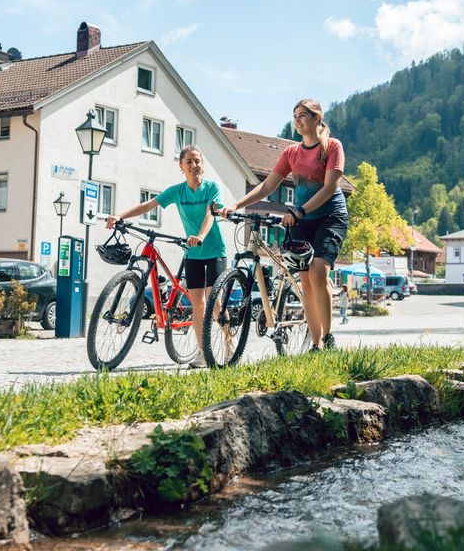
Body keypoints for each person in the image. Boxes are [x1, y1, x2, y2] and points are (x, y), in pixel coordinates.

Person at [221, 98, 347, 350]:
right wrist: (236, 205)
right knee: (307, 282)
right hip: (302, 221)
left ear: (316, 119)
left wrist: (299, 210)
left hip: (330, 217)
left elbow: (329, 187)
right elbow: (267, 186)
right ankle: (316, 344)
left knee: (319, 271)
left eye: (303, 115)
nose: (298, 120)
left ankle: (329, 336)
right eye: (295, 116)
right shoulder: (291, 153)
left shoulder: (332, 147)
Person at [105, 145, 225, 368]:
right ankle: (203, 351)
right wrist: (119, 215)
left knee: (215, 302)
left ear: (202, 165)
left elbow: (211, 214)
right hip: (193, 253)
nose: (194, 165)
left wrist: (199, 236)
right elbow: (149, 205)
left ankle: (228, 340)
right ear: (181, 166)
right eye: (189, 161)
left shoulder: (211, 188)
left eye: (197, 161)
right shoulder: (177, 191)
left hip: (215, 250)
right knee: (198, 304)